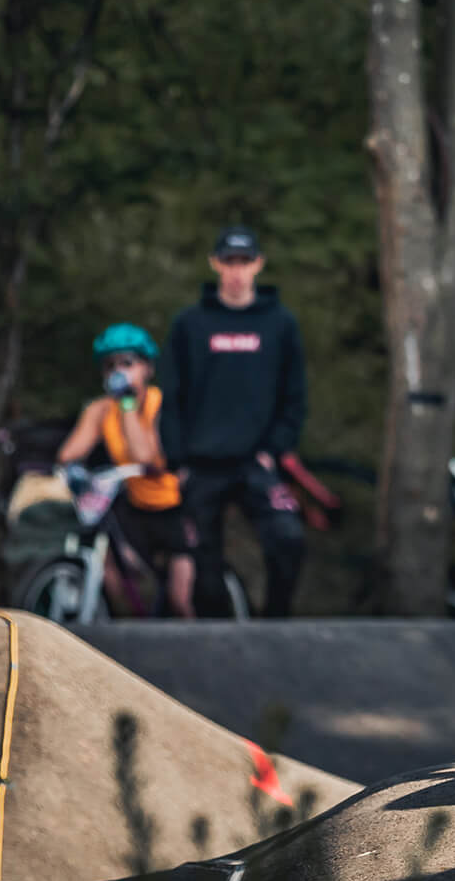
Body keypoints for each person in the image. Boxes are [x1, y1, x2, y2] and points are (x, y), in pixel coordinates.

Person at [158, 225, 307, 617]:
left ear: (258, 265)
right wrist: (177, 461)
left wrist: (274, 449)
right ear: (215, 265)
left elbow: (294, 396)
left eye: (245, 262)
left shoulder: (280, 324)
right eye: (229, 262)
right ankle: (223, 651)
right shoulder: (190, 324)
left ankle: (275, 627)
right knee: (204, 576)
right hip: (202, 465)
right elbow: (171, 397)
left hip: (255, 461)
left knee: (288, 538)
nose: (237, 272)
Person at [57, 323, 195, 617]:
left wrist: (129, 405)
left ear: (147, 368)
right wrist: (74, 470)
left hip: (174, 506)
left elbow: (147, 455)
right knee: (112, 569)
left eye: (128, 363)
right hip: (134, 505)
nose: (118, 371)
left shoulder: (162, 404)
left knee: (180, 599)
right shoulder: (102, 409)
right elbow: (69, 453)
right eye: (110, 365)